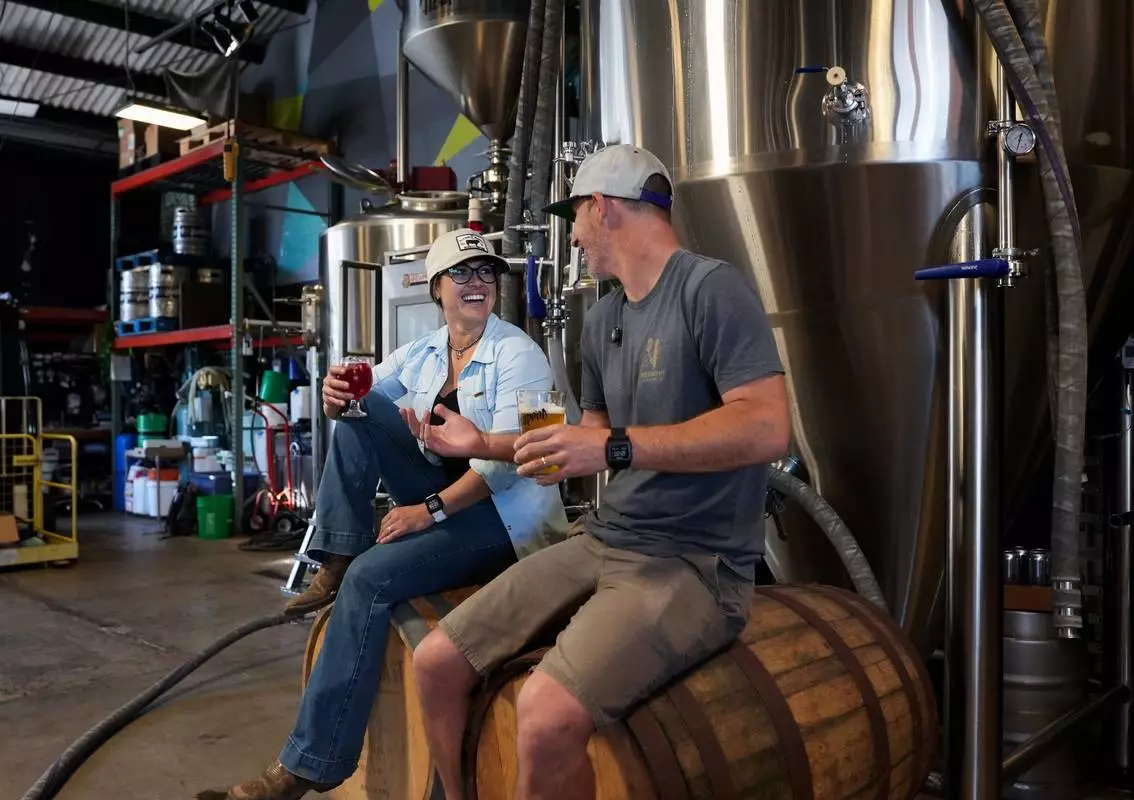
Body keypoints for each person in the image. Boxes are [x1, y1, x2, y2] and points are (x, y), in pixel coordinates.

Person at [408, 144, 791, 800]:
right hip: (604, 540)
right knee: (436, 661)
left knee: (545, 714)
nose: (575, 238)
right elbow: (586, 440)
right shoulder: (604, 317)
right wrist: (489, 443)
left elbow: (766, 427)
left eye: (577, 219)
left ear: (603, 208)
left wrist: (614, 450)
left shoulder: (709, 289)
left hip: (695, 562)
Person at [204, 228, 568, 800]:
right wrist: (334, 393)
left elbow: (527, 459)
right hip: (445, 499)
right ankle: (340, 552)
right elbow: (362, 397)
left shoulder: (521, 353)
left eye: (486, 273)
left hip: (504, 519)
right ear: (437, 289)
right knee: (358, 406)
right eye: (463, 274)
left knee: (376, 580)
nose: (478, 284)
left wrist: (428, 511)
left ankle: (303, 769)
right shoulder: (426, 350)